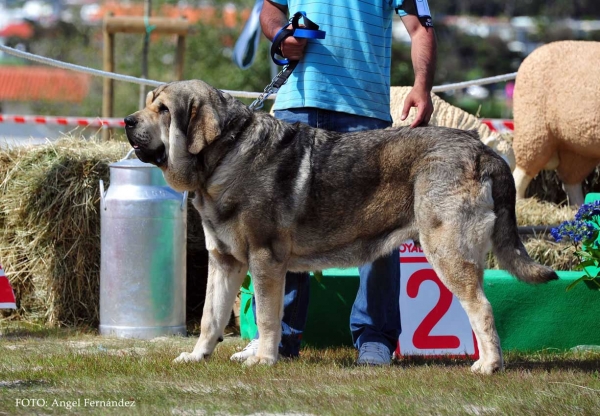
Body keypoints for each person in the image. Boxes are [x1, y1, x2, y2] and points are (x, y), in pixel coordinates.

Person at [231, 0, 436, 365]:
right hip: (297, 106)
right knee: (279, 229)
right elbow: (270, 9)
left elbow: (420, 27)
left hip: (365, 113)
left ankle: (376, 341)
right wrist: (281, 37)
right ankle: (277, 339)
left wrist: (423, 87)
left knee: (381, 229)